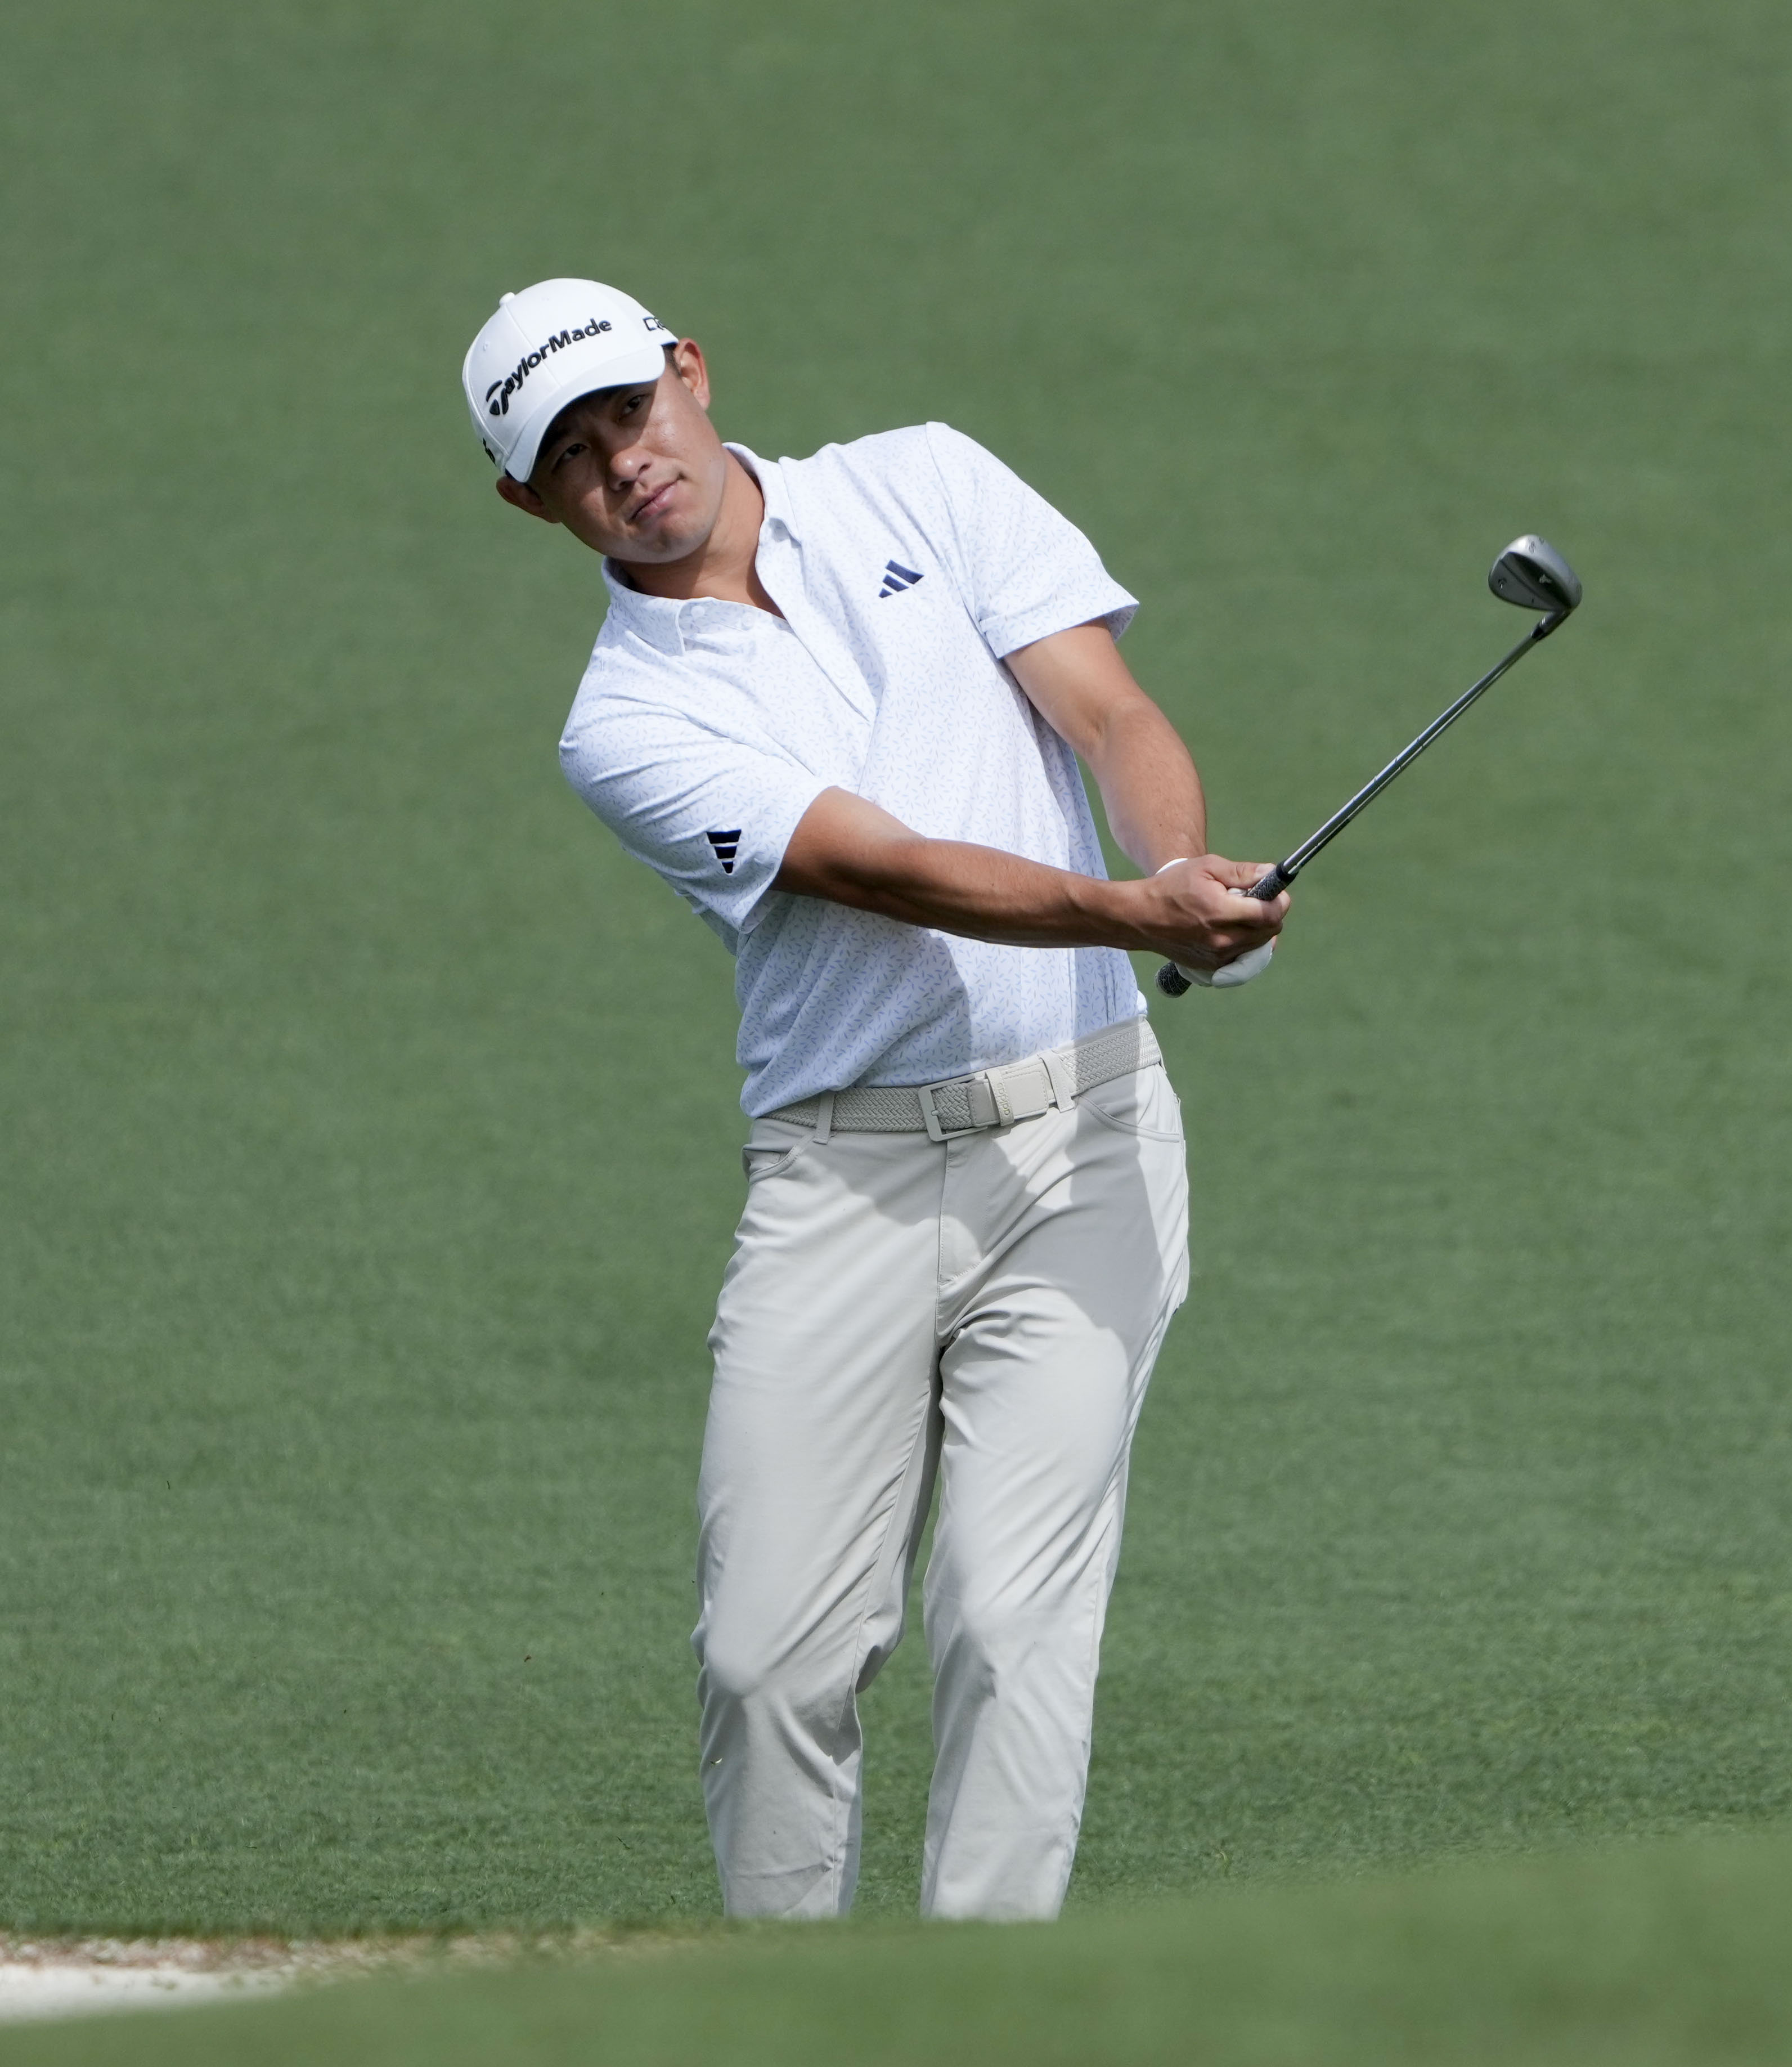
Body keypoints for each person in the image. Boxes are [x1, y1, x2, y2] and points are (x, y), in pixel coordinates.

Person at [459, 279, 1285, 1921]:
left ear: (688, 372)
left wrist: (1175, 863)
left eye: (628, 410)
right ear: (528, 502)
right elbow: (891, 871)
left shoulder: (923, 477)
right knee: (769, 1656)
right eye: (569, 457)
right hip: (840, 1182)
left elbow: (1106, 710)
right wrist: (1137, 917)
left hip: (1085, 1145)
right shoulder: (625, 722)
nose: (622, 462)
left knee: (1011, 1618)